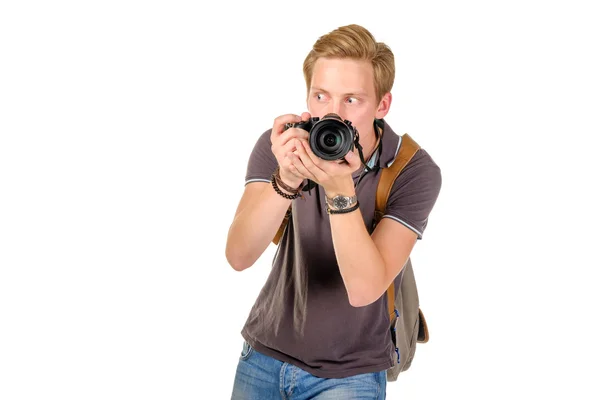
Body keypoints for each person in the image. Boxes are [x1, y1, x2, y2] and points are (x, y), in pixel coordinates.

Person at [225, 24, 442, 400]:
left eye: (352, 100)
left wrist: (341, 191)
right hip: (263, 355)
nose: (333, 113)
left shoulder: (412, 170)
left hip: (350, 375)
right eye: (321, 96)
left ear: (382, 105)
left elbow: (364, 289)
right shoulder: (282, 146)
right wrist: (287, 179)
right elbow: (238, 256)